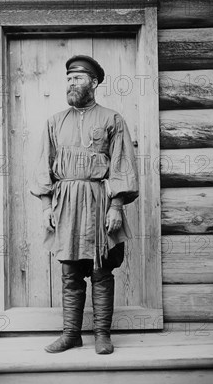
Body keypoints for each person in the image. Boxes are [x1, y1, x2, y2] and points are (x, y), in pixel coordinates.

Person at [30, 55, 139, 354]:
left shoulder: (112, 119)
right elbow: (44, 167)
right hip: (65, 205)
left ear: (93, 82)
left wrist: (116, 205)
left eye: (77, 79)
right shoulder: (54, 122)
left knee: (102, 269)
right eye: (68, 79)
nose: (71, 83)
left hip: (99, 201)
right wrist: (45, 206)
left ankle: (102, 334)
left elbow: (122, 164)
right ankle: (71, 334)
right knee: (70, 272)